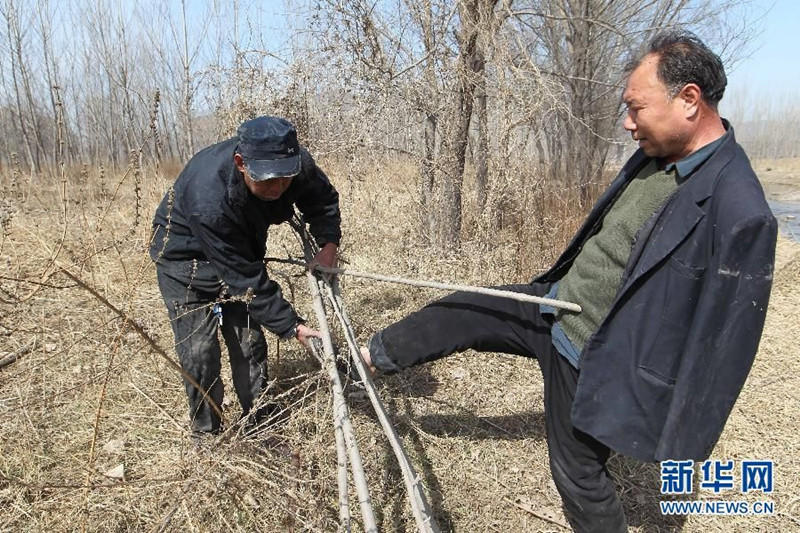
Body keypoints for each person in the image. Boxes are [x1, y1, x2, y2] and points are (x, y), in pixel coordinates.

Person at [360, 31, 777, 532]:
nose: (627, 123)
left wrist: (681, 445)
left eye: (635, 107)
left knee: (578, 475)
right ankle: (369, 360)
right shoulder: (657, 151)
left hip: (594, 354)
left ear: (689, 99)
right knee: (465, 308)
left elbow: (725, 349)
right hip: (557, 305)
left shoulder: (739, 209)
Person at [150, 116, 340, 438]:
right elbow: (245, 279)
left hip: (239, 252)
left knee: (249, 344)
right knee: (200, 354)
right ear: (241, 163)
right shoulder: (207, 198)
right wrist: (293, 326)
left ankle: (261, 421)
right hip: (185, 263)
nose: (279, 187)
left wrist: (329, 243)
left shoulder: (294, 164)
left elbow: (321, 200)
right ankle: (207, 434)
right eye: (268, 180)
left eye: (285, 178)